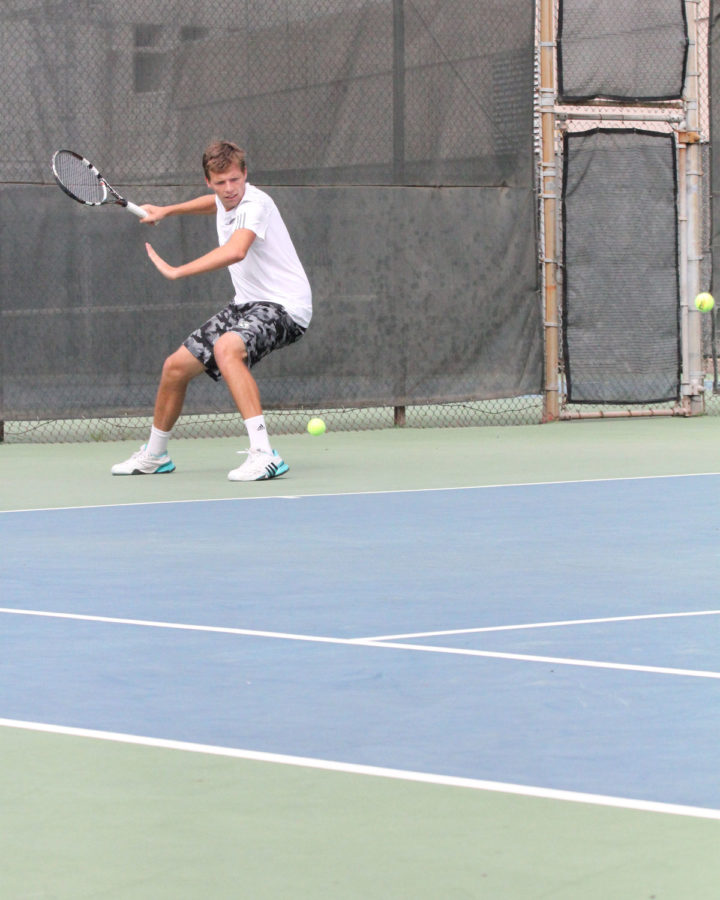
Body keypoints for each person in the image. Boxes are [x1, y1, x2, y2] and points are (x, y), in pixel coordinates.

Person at [111, 140, 312, 481]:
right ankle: (155, 455)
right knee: (175, 367)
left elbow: (236, 251)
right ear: (209, 181)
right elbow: (214, 205)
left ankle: (264, 454)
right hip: (245, 304)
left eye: (235, 180)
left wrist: (178, 270)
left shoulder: (256, 203)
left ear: (245, 174)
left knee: (226, 348)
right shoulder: (224, 199)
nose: (229, 189)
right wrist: (166, 210)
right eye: (220, 183)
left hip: (285, 307)